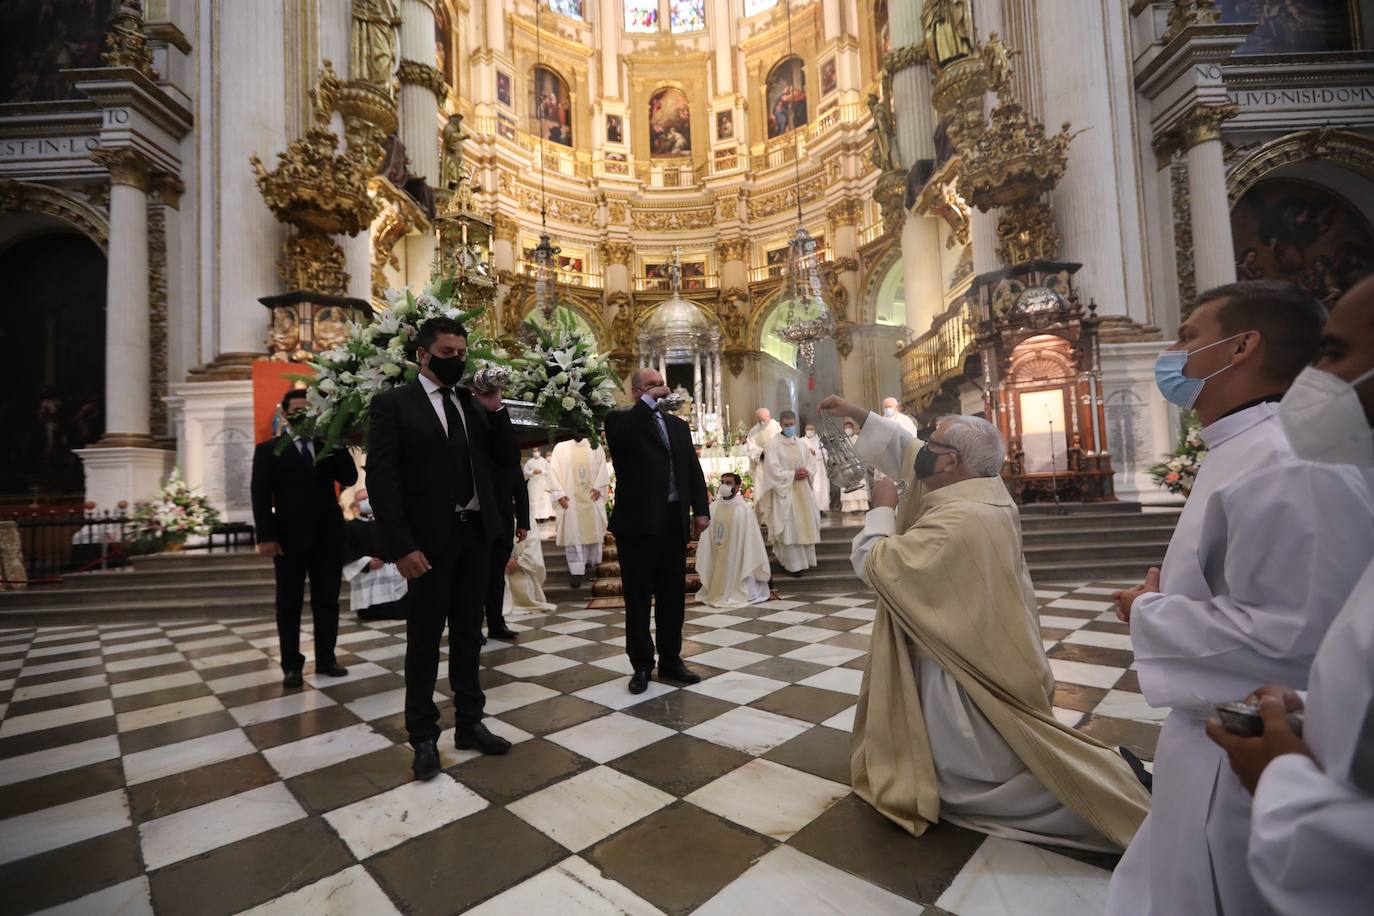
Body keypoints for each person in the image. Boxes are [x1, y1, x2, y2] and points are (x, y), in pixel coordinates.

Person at [1105, 281, 1374, 916]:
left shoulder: (1287, 460)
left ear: (1242, 346)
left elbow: (1295, 636)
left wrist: (1152, 611)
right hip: (1218, 743)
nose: (1172, 352)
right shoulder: (1248, 448)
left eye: (1189, 336)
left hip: (1251, 755)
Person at [843, 411, 1150, 849]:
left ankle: (1106, 800)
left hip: (960, 667)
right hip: (981, 645)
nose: (924, 449)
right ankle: (1103, 782)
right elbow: (911, 453)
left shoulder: (959, 518)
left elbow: (877, 566)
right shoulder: (983, 493)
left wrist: (882, 510)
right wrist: (859, 416)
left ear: (951, 463)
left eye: (934, 444)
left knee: (968, 779)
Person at [1203, 275, 1374, 916]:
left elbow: (1293, 623)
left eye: (1332, 355)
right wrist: (1318, 709)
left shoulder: (1289, 464)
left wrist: (1285, 783)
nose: (1315, 378)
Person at [366, 316, 522, 780]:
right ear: (423, 354)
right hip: (426, 543)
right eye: (448, 353)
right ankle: (424, 736)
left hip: (476, 535)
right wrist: (400, 546)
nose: (457, 361)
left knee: (470, 636)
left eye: (461, 353)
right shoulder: (393, 405)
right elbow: (383, 480)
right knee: (424, 640)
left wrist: (495, 410)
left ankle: (470, 724)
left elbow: (506, 464)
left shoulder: (474, 404)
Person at [604, 367, 710, 694]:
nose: (660, 390)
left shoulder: (678, 426)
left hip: (672, 521)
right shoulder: (620, 421)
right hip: (637, 525)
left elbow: (691, 469)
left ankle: (671, 659)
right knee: (638, 598)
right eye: (651, 386)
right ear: (636, 392)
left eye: (660, 385)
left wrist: (701, 510)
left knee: (672, 597)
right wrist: (648, 404)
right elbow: (621, 445)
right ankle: (641, 665)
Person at [251, 389, 357, 688]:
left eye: (307, 411)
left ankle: (326, 659)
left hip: (328, 535)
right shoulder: (268, 450)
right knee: (289, 603)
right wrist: (266, 535)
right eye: (296, 410)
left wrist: (336, 441)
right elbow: (260, 497)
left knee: (327, 600)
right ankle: (291, 665)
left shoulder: (327, 445)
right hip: (287, 537)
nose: (302, 415)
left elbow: (348, 478)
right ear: (284, 414)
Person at [483, 401, 530, 643]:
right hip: (478, 522)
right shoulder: (478, 457)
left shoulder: (507, 457)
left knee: (496, 578)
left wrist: (523, 522)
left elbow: (520, 489)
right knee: (476, 578)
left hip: (502, 522)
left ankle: (496, 623)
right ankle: (470, 627)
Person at [759, 410, 820, 577]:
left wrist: (807, 471)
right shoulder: (774, 445)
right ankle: (792, 564)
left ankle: (805, 561)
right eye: (787, 425)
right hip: (786, 494)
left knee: (804, 524)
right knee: (790, 527)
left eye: (792, 424)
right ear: (781, 424)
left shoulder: (801, 443)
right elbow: (772, 471)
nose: (790, 427)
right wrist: (793, 475)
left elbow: (811, 463)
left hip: (803, 491)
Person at [696, 472, 770, 609]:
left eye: (728, 483)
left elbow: (750, 540)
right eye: (722, 482)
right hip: (717, 553)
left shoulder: (744, 510)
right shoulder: (713, 507)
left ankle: (734, 591)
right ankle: (715, 590)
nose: (724, 486)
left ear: (737, 487)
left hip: (737, 557)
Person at [547, 436, 610, 589]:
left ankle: (589, 562)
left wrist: (599, 487)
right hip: (570, 500)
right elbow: (553, 472)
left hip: (591, 497)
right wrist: (559, 494)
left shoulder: (595, 445)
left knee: (591, 531)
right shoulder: (561, 448)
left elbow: (602, 469)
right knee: (573, 536)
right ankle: (576, 571)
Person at [342, 488, 408, 621]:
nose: (366, 501)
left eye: (368, 498)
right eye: (361, 499)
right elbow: (345, 551)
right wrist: (366, 563)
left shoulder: (387, 523)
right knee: (371, 612)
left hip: (392, 571)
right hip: (367, 573)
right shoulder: (349, 527)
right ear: (355, 505)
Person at [502, 531, 557, 615]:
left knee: (524, 582)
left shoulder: (529, 522)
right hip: (496, 565)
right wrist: (503, 560)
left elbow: (533, 547)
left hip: (520, 567)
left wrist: (519, 561)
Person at [839, 419, 871, 512]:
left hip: (857, 466)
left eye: (849, 427)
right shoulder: (841, 440)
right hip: (846, 467)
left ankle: (861, 507)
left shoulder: (858, 438)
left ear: (852, 428)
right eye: (846, 428)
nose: (847, 429)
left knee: (860, 485)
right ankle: (849, 508)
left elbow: (864, 451)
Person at [802, 421, 831, 513]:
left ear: (815, 430)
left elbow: (825, 455)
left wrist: (816, 453)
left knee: (820, 489)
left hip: (819, 469)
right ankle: (808, 509)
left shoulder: (820, 442)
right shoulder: (801, 441)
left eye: (811, 429)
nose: (809, 431)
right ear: (805, 430)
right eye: (808, 429)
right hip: (806, 468)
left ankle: (820, 509)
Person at [524, 447, 554, 521]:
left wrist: (541, 471)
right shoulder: (529, 462)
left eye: (537, 451)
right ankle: (534, 517)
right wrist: (532, 472)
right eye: (534, 451)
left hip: (542, 482)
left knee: (543, 499)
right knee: (533, 500)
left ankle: (543, 516)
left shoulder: (544, 461)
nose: (536, 452)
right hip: (533, 483)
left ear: (540, 451)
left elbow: (549, 471)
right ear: (532, 452)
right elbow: (525, 472)